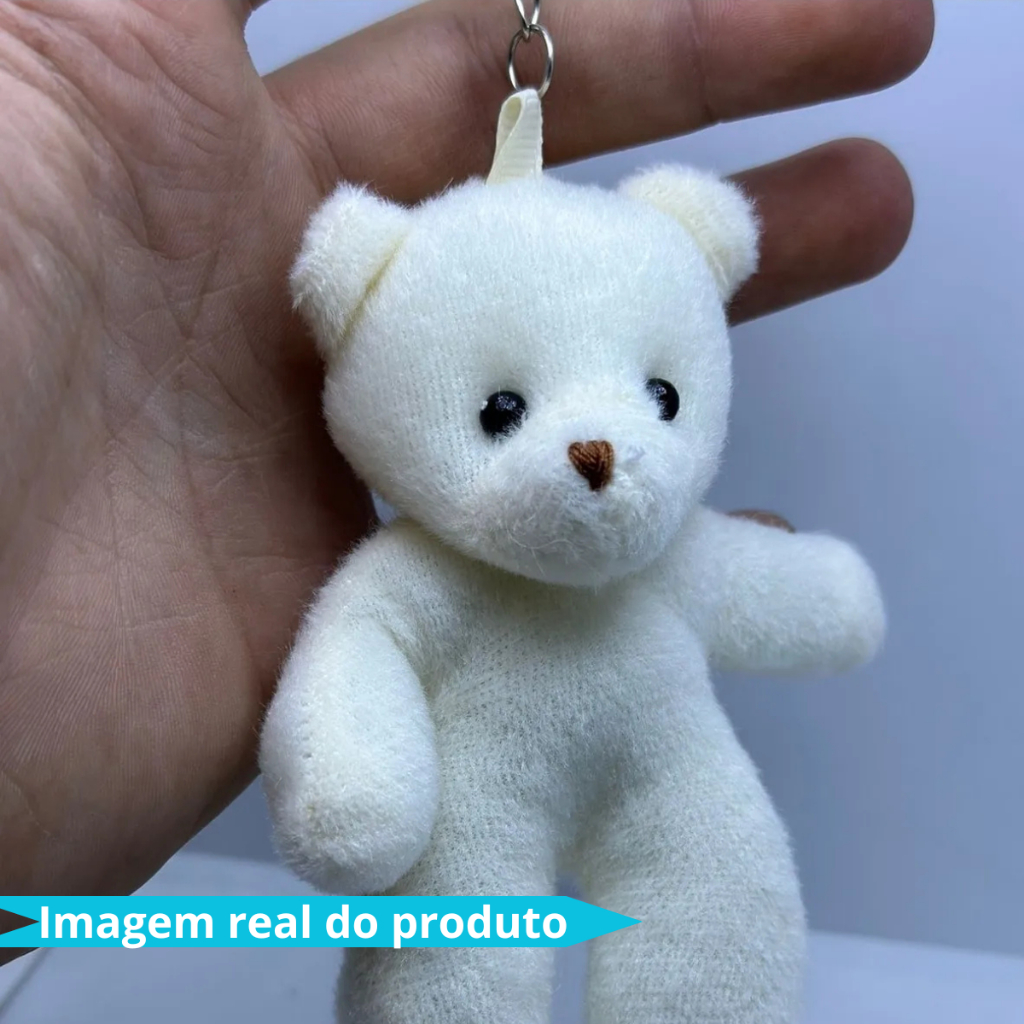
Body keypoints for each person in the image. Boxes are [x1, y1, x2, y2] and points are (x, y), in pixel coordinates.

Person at [0, 0, 933, 923]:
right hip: (477, 794)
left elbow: (793, 595)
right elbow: (357, 660)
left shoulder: (671, 556)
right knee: (456, 948)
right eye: (501, 413)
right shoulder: (416, 582)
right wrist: (354, 786)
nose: (599, 451)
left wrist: (830, 597)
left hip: (669, 765)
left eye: (659, 398)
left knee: (726, 897)